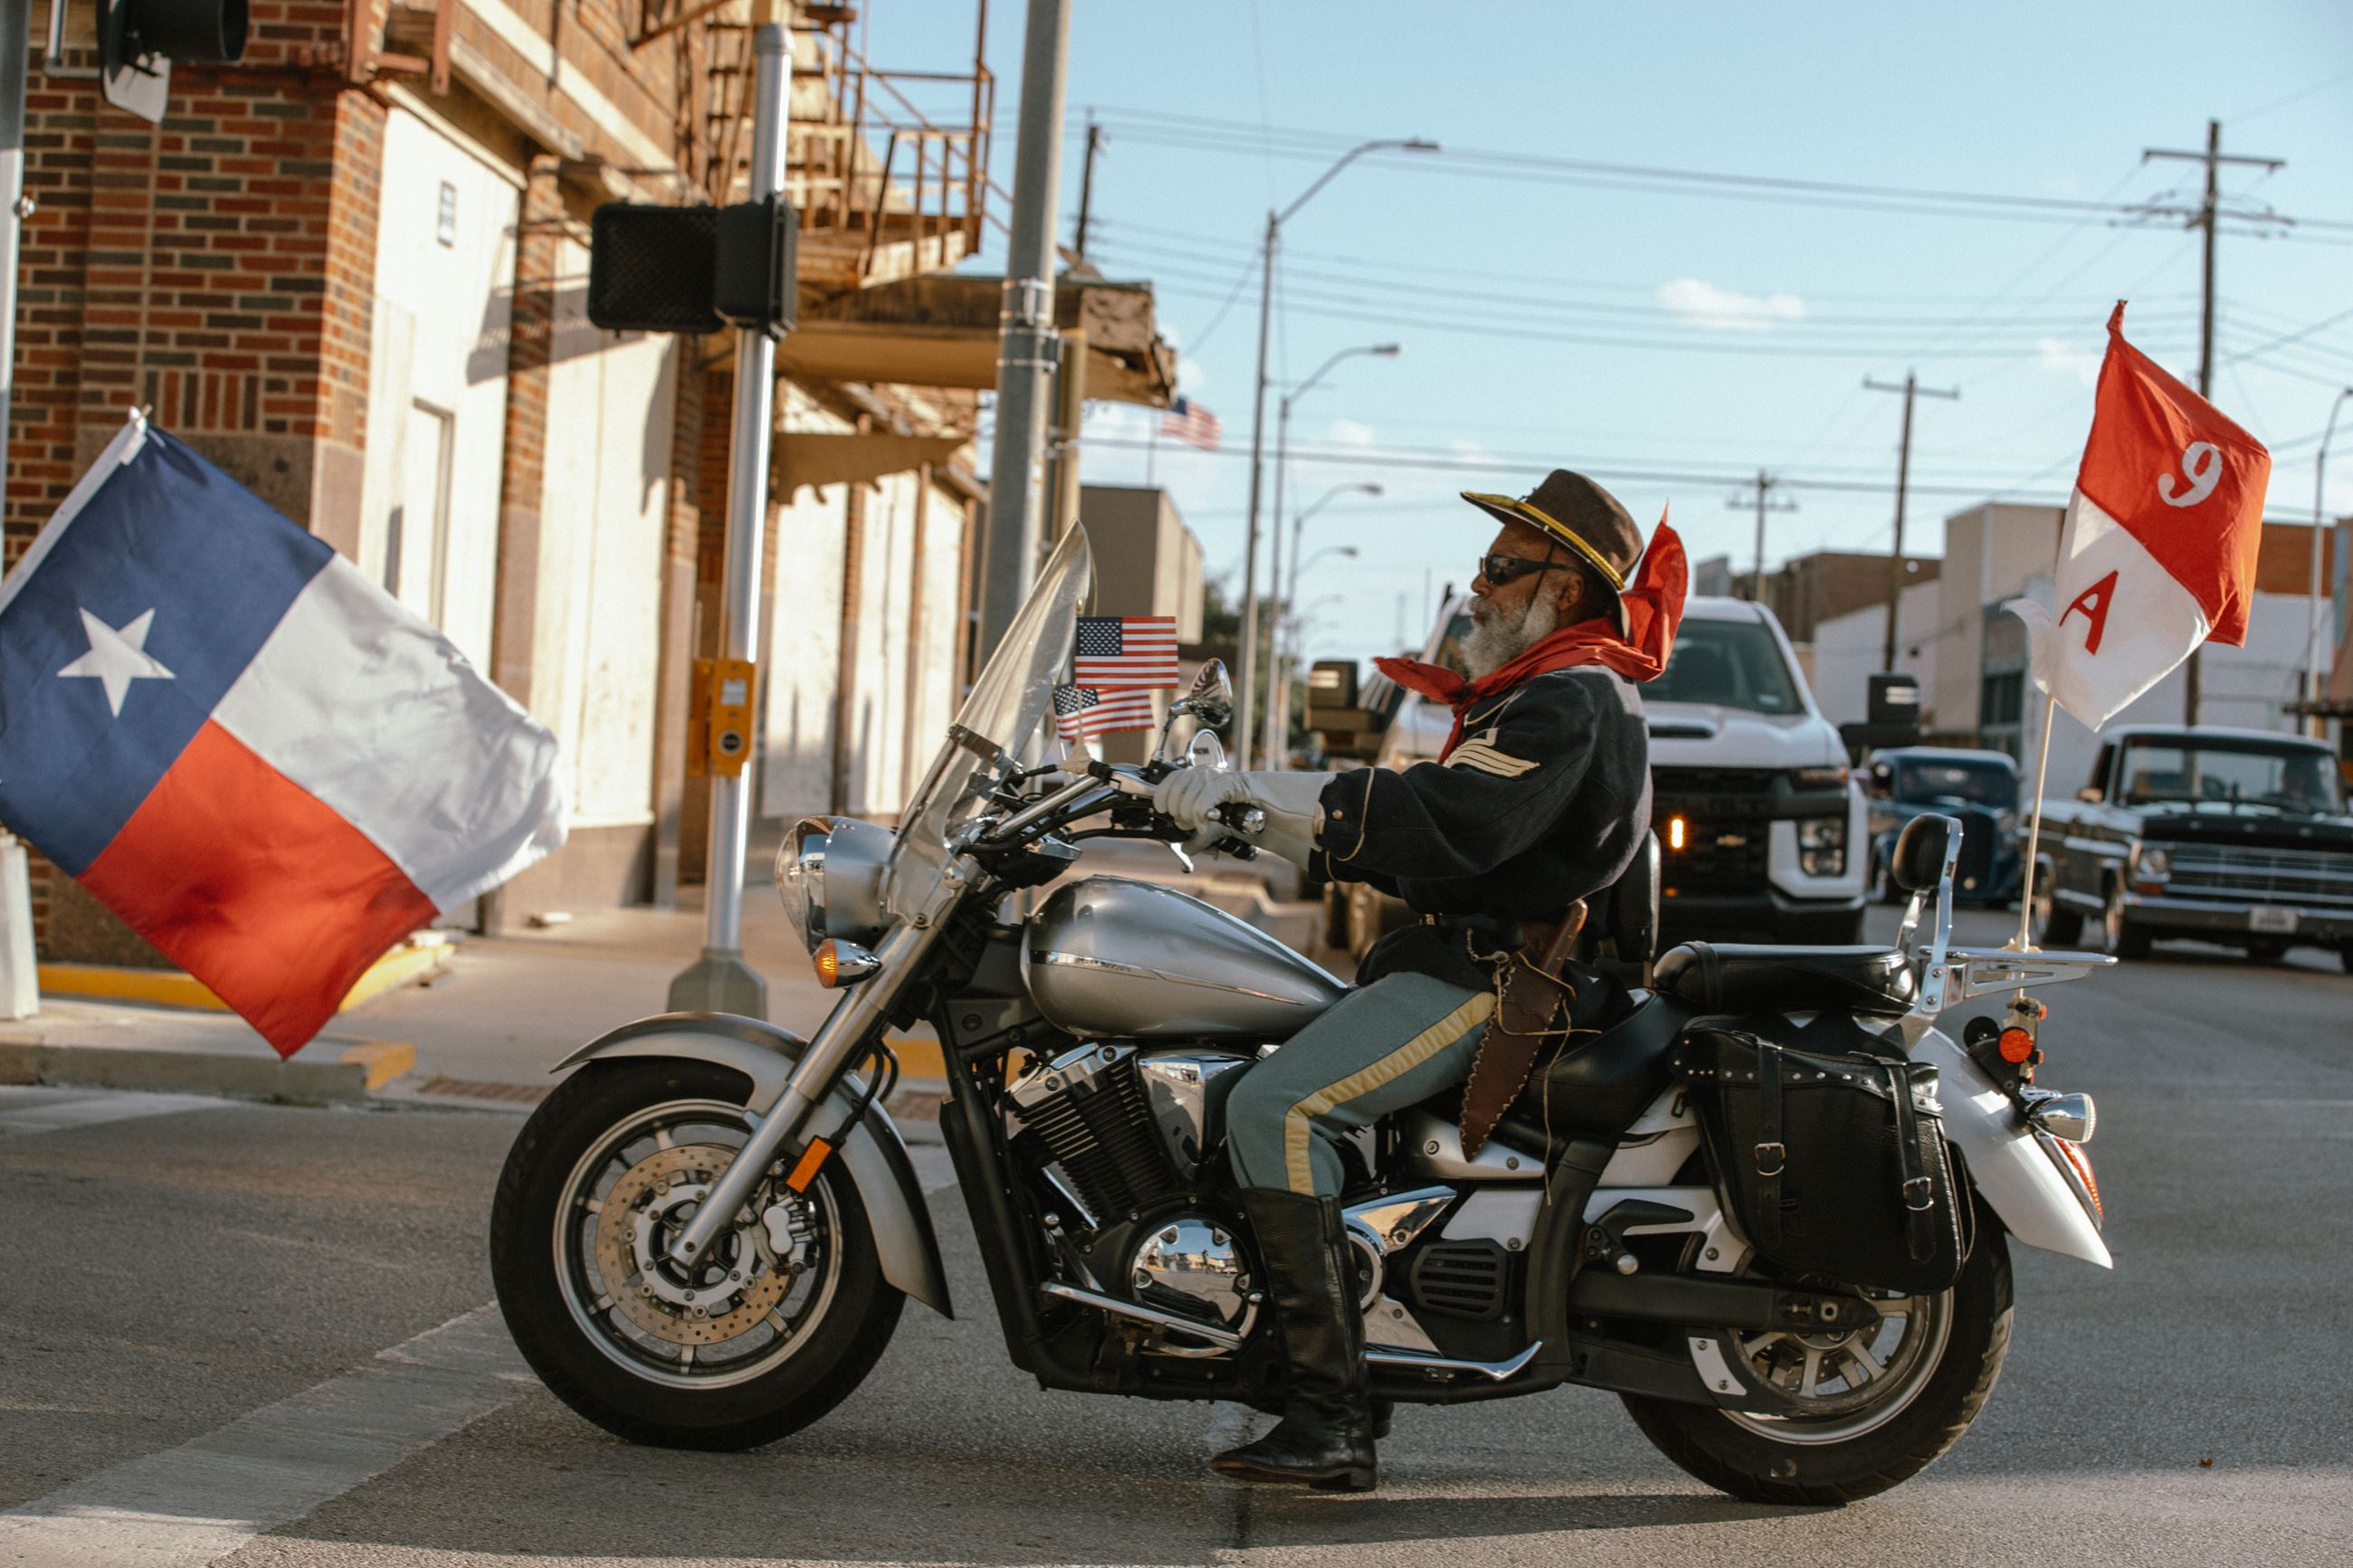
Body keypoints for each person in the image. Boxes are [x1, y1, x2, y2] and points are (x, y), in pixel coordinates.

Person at [1154, 469, 1685, 1492]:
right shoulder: (1545, 686)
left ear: (1562, 590)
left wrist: (1250, 794)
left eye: (1500, 567)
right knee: (1254, 1059)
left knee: (1278, 1106)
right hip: (1464, 959)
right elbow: (1422, 847)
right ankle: (1308, 1344)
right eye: (1483, 565)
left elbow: (1444, 817)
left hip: (1499, 980)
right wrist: (1245, 815)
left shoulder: (1570, 696)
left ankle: (1330, 1412)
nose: (1476, 584)